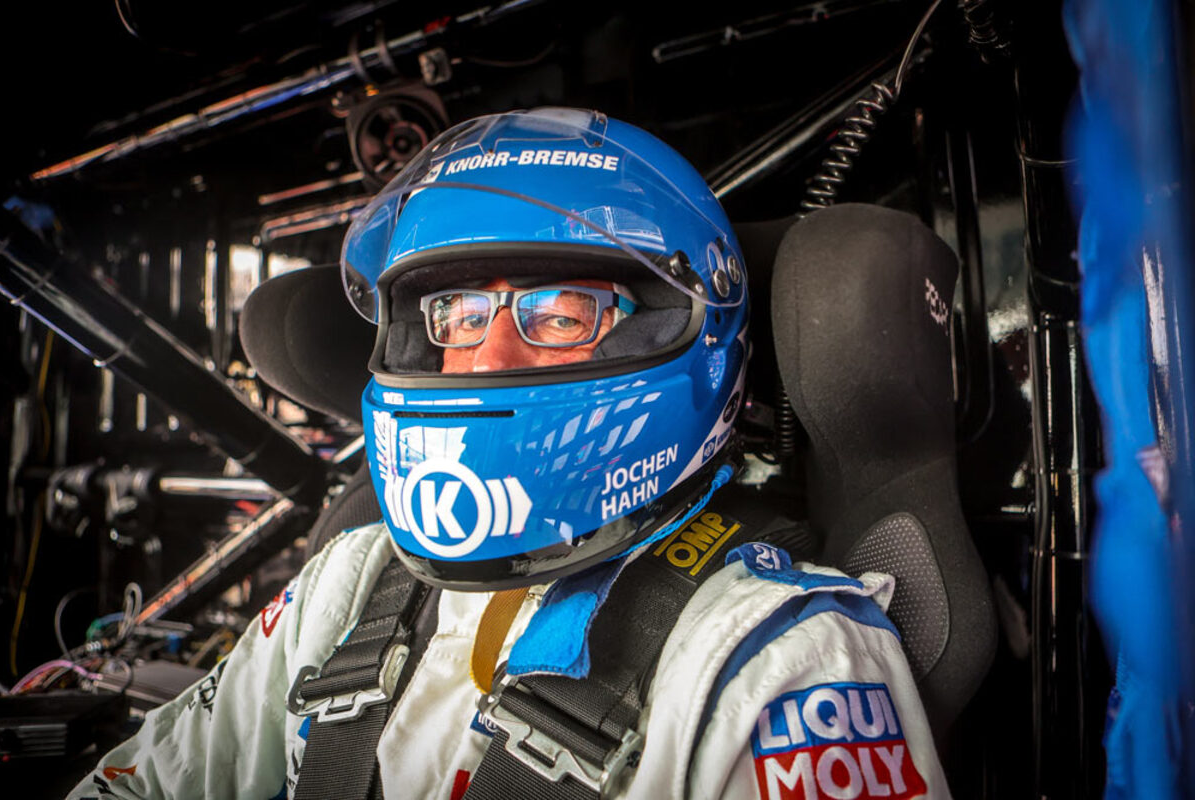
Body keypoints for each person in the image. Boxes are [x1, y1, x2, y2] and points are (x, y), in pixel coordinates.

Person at [70, 108, 950, 800]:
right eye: (456, 315)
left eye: (558, 313)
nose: (487, 360)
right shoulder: (352, 578)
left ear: (667, 328)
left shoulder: (781, 662)